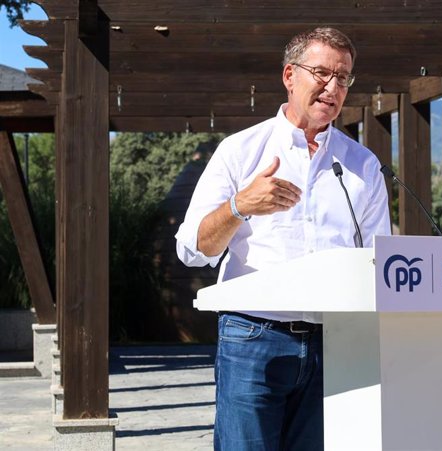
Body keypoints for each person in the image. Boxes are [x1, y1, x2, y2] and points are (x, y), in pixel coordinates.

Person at [175, 27, 391, 451]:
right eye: (322, 73)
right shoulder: (241, 151)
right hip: (254, 338)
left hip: (335, 343)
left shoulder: (363, 165)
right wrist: (240, 206)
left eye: (344, 77)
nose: (333, 86)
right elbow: (191, 250)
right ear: (290, 76)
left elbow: (379, 264)